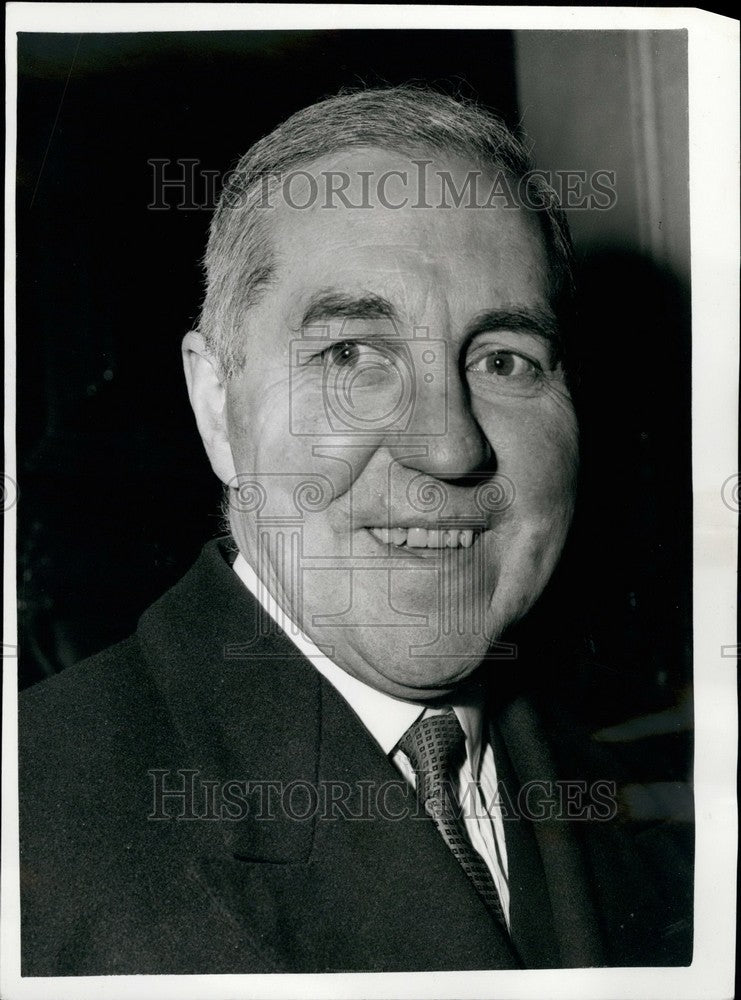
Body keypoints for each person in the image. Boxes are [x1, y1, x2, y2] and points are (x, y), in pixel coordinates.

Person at [19, 85, 692, 975]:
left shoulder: (654, 834)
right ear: (217, 405)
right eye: (352, 356)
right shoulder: (33, 828)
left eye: (502, 359)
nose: (449, 446)